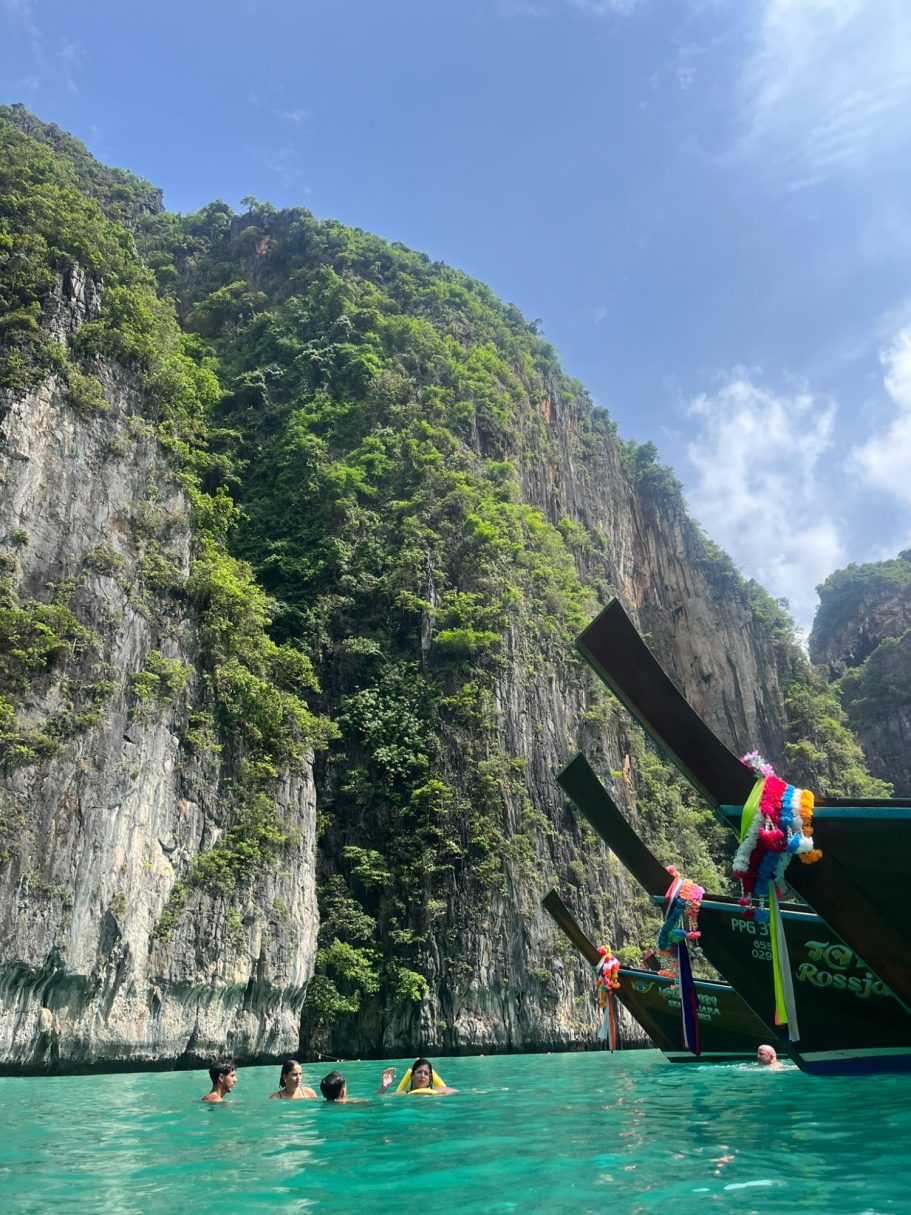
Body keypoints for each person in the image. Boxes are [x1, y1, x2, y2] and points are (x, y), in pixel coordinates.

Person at [377, 1057, 456, 1095]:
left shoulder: (439, 1090)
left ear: (429, 1078)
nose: (422, 1076)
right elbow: (378, 1100)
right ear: (412, 1076)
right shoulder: (404, 1093)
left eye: (426, 1073)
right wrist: (384, 1087)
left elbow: (460, 1093)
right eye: (419, 1072)